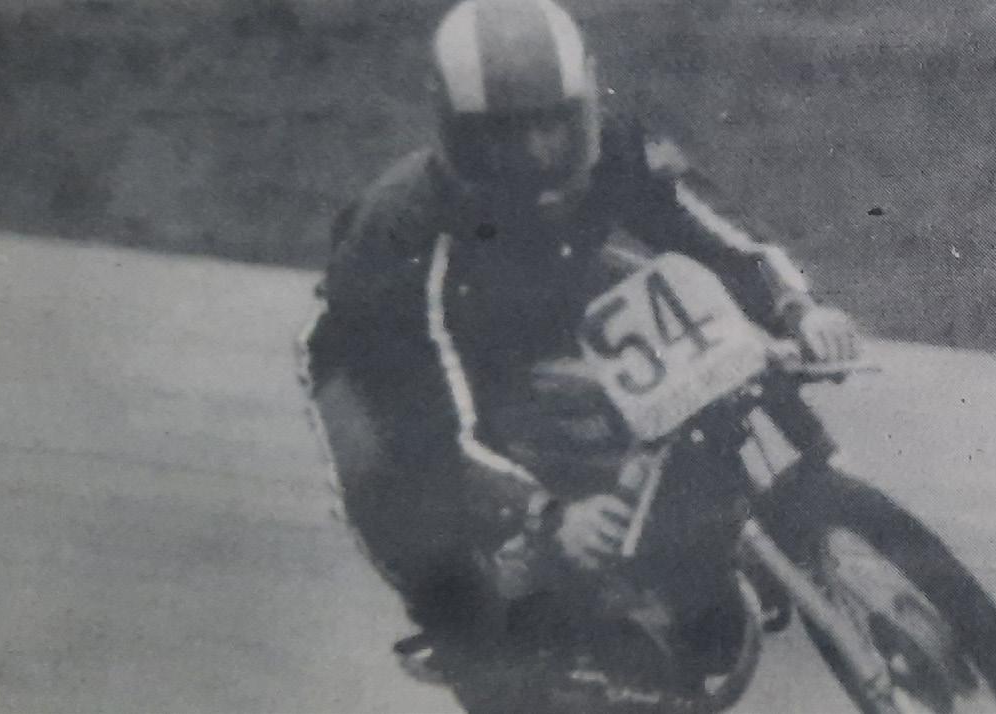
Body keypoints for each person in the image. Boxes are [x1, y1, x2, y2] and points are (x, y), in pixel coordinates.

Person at [299, 0, 859, 678]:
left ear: (586, 104)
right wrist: (544, 514)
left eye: (553, 124)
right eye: (505, 135)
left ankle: (711, 538)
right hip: (387, 352)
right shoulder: (405, 233)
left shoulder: (616, 148)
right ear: (457, 133)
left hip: (541, 287)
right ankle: (469, 636)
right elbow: (427, 426)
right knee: (396, 493)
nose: (537, 152)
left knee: (695, 338)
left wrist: (798, 311)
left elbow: (719, 233)